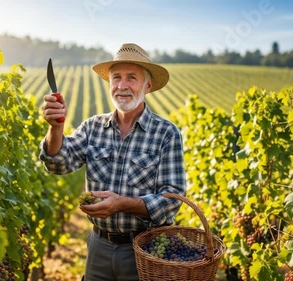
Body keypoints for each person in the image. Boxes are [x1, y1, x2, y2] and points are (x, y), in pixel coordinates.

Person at [39, 43, 186, 281]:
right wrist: (55, 129)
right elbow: (57, 164)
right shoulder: (92, 127)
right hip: (99, 246)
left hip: (144, 250)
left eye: (131, 78)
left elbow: (172, 200)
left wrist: (121, 204)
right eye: (116, 77)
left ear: (147, 85)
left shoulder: (166, 133)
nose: (122, 85)